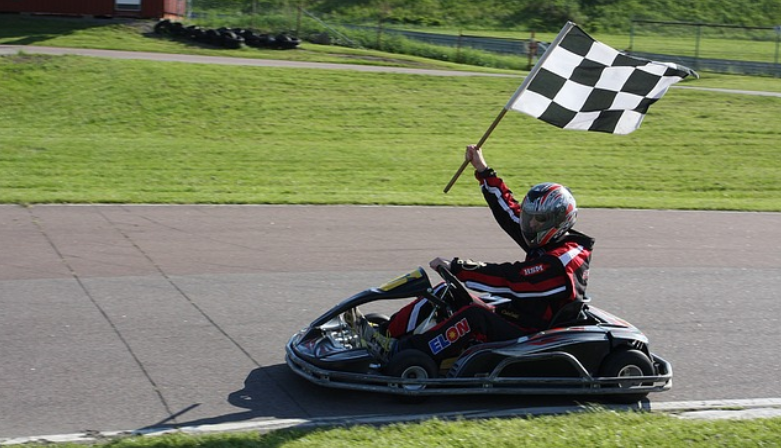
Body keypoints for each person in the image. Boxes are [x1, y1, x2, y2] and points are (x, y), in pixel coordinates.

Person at [357, 144, 595, 365]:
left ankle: (406, 356)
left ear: (559, 221)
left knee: (474, 316)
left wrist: (460, 268)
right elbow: (510, 214)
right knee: (446, 291)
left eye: (538, 219)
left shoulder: (564, 259)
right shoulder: (548, 238)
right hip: (519, 312)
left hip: (535, 331)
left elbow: (513, 279)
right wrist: (483, 170)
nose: (530, 223)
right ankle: (385, 335)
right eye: (530, 216)